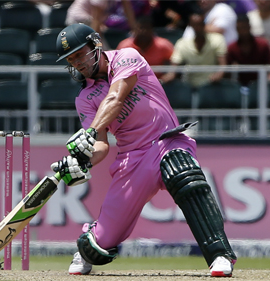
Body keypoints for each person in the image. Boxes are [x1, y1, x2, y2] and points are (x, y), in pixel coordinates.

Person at [52, 23, 237, 277]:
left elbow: (116, 97)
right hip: (132, 159)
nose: (78, 63)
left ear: (95, 45)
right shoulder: (85, 98)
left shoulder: (127, 56)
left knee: (184, 175)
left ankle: (219, 255)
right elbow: (102, 145)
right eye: (71, 60)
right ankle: (91, 239)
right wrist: (82, 159)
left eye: (79, 54)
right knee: (95, 247)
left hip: (167, 141)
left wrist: (89, 133)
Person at [161, 13, 227, 88]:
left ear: (204, 24)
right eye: (195, 25)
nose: (198, 28)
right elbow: (174, 65)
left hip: (211, 86)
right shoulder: (182, 43)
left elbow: (223, 65)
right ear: (190, 26)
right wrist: (170, 75)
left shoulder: (218, 39)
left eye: (200, 24)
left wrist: (219, 74)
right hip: (189, 86)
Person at [116, 15, 173, 80]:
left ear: (152, 30)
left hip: (158, 83)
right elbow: (117, 65)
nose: (143, 31)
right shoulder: (125, 46)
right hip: (131, 84)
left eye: (147, 28)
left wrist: (169, 75)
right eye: (140, 28)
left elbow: (174, 61)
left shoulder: (163, 45)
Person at [227, 14, 270, 86]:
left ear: (249, 27)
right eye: (239, 28)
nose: (242, 31)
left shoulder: (263, 45)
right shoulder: (232, 48)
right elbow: (227, 73)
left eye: (244, 27)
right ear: (236, 29)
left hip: (261, 86)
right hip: (240, 87)